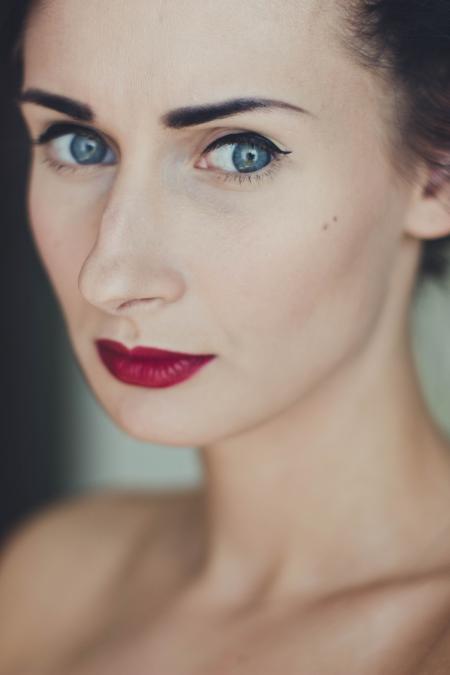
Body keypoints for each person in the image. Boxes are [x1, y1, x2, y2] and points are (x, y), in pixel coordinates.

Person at [0, 0, 450, 672]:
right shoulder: (49, 577)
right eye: (78, 143)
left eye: (241, 153)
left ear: (436, 175)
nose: (110, 275)